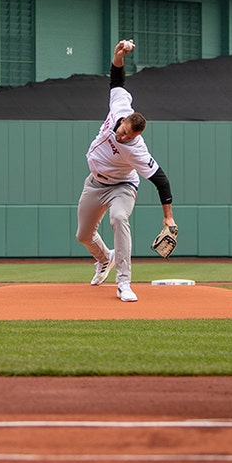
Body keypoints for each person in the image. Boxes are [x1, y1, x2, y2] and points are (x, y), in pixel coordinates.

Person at [76, 40, 175, 303]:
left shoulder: (137, 150)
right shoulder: (120, 109)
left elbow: (161, 180)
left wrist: (168, 218)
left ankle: (124, 283)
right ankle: (103, 258)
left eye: (128, 136)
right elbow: (117, 81)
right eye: (122, 130)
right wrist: (118, 56)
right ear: (124, 121)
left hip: (122, 186)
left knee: (119, 218)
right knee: (83, 235)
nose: (122, 136)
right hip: (95, 184)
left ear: (136, 135)